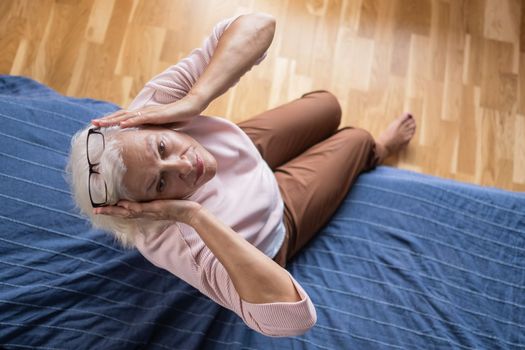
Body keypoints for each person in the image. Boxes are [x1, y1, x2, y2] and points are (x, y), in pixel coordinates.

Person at [66, 13, 416, 337]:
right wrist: (193, 215)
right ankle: (378, 152)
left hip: (244, 151)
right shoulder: (174, 239)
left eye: (161, 148)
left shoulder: (151, 111)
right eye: (160, 183)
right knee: (356, 139)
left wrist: (195, 99)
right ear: (145, 205)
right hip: (274, 221)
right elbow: (294, 317)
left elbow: (258, 24)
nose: (184, 165)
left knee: (328, 104)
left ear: (140, 124)